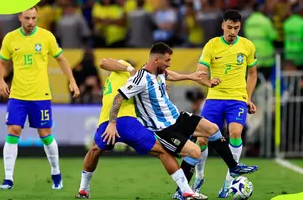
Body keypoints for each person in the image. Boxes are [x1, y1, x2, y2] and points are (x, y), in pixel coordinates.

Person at [103, 42, 258, 200]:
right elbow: (118, 97)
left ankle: (233, 167)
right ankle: (181, 191)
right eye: (167, 60)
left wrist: (189, 76)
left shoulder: (159, 71)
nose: (169, 64)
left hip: (178, 118)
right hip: (164, 129)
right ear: (156, 59)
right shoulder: (140, 79)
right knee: (195, 152)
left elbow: (170, 75)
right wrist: (112, 123)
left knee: (212, 129)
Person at [77, 58, 208, 200]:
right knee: (162, 152)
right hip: (126, 122)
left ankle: (83, 189)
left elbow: (105, 64)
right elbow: (103, 62)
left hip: (108, 122)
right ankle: (186, 190)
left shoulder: (123, 80)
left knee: (94, 150)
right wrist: (129, 68)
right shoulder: (127, 69)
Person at [0, 6, 80, 190]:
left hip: (40, 95)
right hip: (17, 95)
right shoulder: (10, 38)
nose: (30, 22)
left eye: (34, 18)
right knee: (14, 130)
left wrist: (72, 81)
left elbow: (61, 59)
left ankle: (56, 172)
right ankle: (8, 179)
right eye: (27, 18)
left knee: (45, 134)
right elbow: (1, 61)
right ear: (20, 17)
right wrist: (0, 80)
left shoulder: (46, 37)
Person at [192, 9, 258, 198]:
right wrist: (208, 82)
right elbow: (200, 73)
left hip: (237, 98)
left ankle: (229, 180)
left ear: (240, 27)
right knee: (202, 139)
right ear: (223, 25)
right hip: (214, 98)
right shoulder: (212, 45)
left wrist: (248, 97)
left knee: (235, 132)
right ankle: (199, 176)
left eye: (236, 28)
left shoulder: (247, 46)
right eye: (229, 27)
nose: (232, 32)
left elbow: (252, 74)